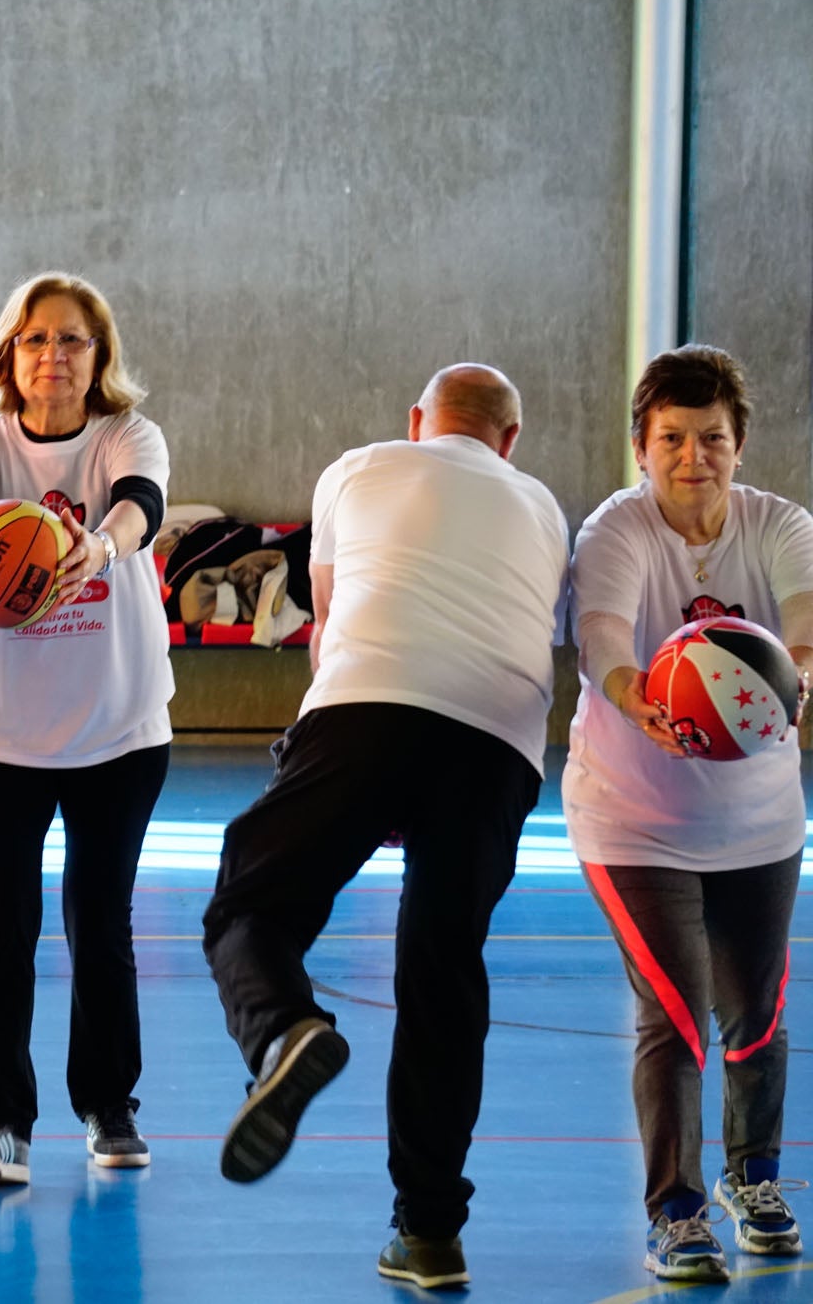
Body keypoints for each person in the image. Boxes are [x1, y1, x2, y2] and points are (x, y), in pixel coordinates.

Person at [201, 364, 568, 1290]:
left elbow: (330, 626)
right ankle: (430, 1232)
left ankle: (283, 1030)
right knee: (443, 975)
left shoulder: (360, 468)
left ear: (419, 422)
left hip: (369, 703)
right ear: (509, 440)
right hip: (502, 741)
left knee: (253, 898)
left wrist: (354, 773)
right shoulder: (543, 507)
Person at [564, 344, 813, 1284]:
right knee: (673, 1010)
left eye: (712, 438)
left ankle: (756, 1179)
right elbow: (600, 644)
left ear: (739, 444)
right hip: (633, 814)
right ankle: (676, 1208)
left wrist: (801, 674)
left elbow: (804, 616)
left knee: (754, 1011)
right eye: (672, 438)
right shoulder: (617, 531)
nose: (692, 456)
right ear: (641, 445)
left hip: (758, 820)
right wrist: (642, 703)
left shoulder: (781, 523)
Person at [0, 271, 173, 1184]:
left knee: (100, 919)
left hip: (120, 723)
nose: (53, 356)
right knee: (6, 919)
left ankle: (110, 1105)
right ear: (9, 355)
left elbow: (138, 504)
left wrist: (96, 547)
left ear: (98, 356)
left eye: (71, 339)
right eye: (35, 340)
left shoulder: (124, 436)